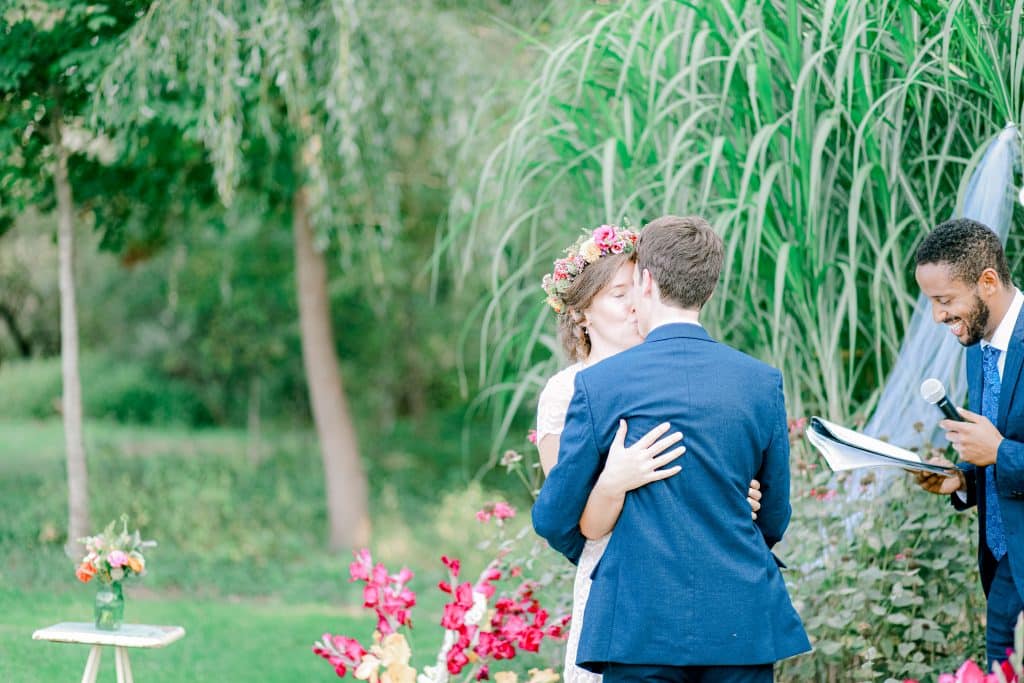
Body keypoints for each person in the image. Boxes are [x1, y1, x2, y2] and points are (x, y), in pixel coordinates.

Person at [533, 215, 810, 683]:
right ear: (709, 287)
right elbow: (775, 514)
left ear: (646, 281)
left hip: (638, 624)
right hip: (737, 623)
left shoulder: (600, 385)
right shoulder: (760, 382)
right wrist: (730, 515)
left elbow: (551, 516)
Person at [913, 218, 1024, 667]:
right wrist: (961, 480)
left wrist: (998, 452)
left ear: (988, 282)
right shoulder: (977, 351)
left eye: (945, 301)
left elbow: (1002, 447)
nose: (938, 316)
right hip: (1004, 571)